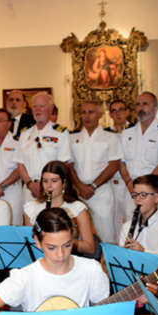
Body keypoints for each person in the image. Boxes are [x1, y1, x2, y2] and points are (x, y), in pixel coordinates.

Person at [68, 100, 122, 244]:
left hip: (101, 192)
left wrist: (93, 186)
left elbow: (113, 166)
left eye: (91, 112)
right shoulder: (72, 138)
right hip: (78, 192)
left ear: (99, 114)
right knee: (78, 235)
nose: (87, 116)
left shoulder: (110, 137)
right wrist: (79, 186)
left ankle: (107, 266)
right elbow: (69, 165)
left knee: (106, 235)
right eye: (84, 112)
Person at [119, 92, 158, 221]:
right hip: (131, 189)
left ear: (155, 108)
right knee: (130, 225)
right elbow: (121, 162)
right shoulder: (128, 131)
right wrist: (129, 183)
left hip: (154, 189)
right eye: (138, 104)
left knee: (155, 229)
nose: (140, 108)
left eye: (145, 104)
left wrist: (144, 188)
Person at [23, 161, 96, 256]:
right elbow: (30, 244)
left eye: (54, 181)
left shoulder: (77, 208)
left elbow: (90, 248)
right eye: (45, 181)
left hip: (68, 258)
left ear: (64, 183)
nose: (48, 186)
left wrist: (63, 241)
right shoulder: (32, 208)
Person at [14, 91, 71, 203]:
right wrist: (30, 184)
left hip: (52, 189)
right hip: (29, 189)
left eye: (42, 106)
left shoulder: (61, 133)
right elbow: (20, 163)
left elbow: (64, 164)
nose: (37, 109)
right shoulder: (25, 134)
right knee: (29, 220)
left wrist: (44, 185)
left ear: (50, 109)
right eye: (35, 106)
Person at [120, 175, 158, 256]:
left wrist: (144, 251)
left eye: (143, 195)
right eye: (135, 194)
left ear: (157, 198)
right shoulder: (126, 227)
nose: (137, 199)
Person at [108, 99, 132, 240]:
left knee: (130, 218)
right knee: (114, 221)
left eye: (121, 109)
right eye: (114, 111)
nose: (118, 114)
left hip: (129, 183)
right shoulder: (106, 134)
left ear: (127, 111)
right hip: (112, 183)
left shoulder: (135, 132)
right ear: (110, 114)